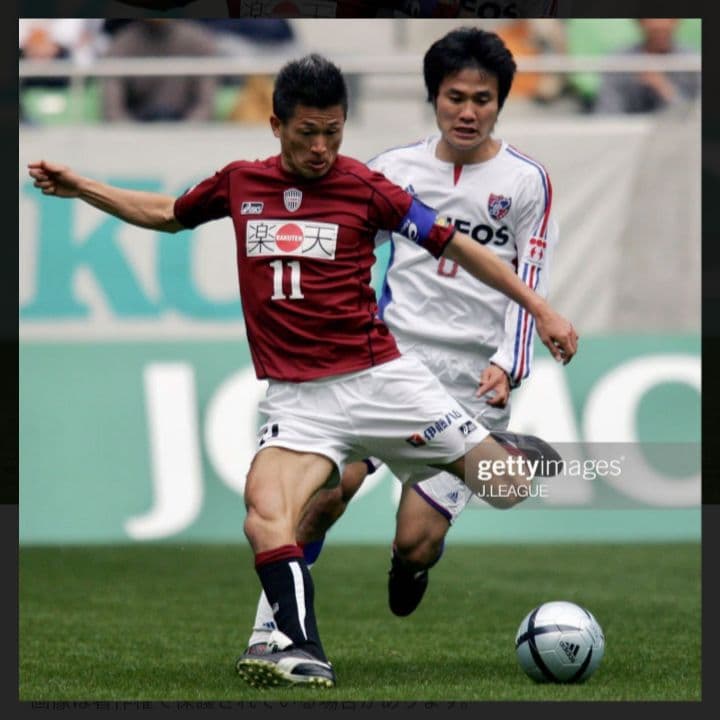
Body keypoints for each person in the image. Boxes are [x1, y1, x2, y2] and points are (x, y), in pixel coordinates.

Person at [28, 53, 577, 689]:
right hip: (298, 400)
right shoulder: (240, 184)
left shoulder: (366, 188)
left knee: (506, 487)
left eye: (333, 132)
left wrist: (540, 309)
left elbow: (456, 245)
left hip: (380, 382)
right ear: (276, 125)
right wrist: (82, 188)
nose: (321, 148)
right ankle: (298, 646)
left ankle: (508, 451)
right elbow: (167, 214)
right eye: (307, 133)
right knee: (266, 513)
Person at [244, 26, 559, 656]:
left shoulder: (526, 181)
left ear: (500, 103)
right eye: (454, 97)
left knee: (417, 539)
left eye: (482, 99)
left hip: (469, 382)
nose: (467, 112)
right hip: (381, 365)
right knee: (323, 497)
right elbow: (347, 251)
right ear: (433, 97)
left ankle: (412, 562)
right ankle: (274, 632)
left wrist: (510, 364)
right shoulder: (393, 170)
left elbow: (531, 274)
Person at [101, 19, 218, 123]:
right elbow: (112, 110)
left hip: (187, 131)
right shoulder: (121, 44)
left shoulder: (200, 42)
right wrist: (134, 135)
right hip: (136, 129)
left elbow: (206, 106)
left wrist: (183, 133)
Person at [593, 18, 700, 115]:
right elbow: (606, 112)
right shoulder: (619, 61)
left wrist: (664, 89)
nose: (659, 24)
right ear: (639, 22)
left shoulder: (693, 62)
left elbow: (695, 116)